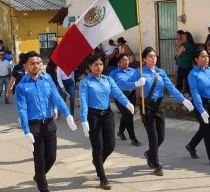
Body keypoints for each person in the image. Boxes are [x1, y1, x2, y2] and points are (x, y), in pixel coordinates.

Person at [127, 47, 194, 176]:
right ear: (145, 59)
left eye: (155, 56)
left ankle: (149, 153)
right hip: (146, 106)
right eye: (150, 56)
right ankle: (156, 164)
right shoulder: (139, 71)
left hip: (159, 105)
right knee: (153, 137)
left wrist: (183, 100)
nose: (153, 58)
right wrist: (136, 83)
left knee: (161, 136)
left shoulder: (161, 72)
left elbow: (171, 87)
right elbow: (125, 83)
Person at [16, 51, 77, 192]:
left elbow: (56, 97)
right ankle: (43, 187)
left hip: (49, 124)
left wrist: (67, 114)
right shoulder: (21, 86)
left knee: (51, 157)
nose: (36, 66)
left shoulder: (47, 78)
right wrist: (26, 130)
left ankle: (39, 176)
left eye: (38, 63)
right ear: (25, 66)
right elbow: (22, 110)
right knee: (39, 160)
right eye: (32, 64)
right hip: (34, 126)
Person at [79, 53, 136, 190]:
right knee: (98, 147)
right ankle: (102, 178)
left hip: (107, 114)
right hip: (93, 116)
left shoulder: (108, 79)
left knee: (110, 145)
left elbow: (117, 93)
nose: (99, 67)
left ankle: (97, 161)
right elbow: (83, 101)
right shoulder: (86, 82)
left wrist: (128, 103)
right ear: (90, 67)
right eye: (95, 65)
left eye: (100, 64)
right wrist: (83, 119)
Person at [110, 54, 141, 146]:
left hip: (132, 95)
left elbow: (139, 81)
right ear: (119, 62)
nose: (126, 62)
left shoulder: (133, 71)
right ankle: (133, 138)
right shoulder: (113, 73)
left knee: (127, 114)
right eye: (123, 60)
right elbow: (113, 86)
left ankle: (120, 131)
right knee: (128, 114)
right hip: (120, 96)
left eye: (127, 60)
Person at [185, 47, 210, 162]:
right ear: (196, 59)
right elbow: (195, 93)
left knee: (204, 128)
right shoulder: (193, 74)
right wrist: (201, 110)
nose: (206, 58)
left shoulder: (209, 70)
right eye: (203, 57)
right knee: (207, 129)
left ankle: (191, 146)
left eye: (207, 56)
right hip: (200, 104)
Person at [176, 31, 195, 97]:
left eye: (184, 36)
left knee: (180, 79)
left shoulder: (184, 45)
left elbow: (178, 54)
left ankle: (178, 92)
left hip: (182, 65)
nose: (182, 37)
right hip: (189, 65)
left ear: (187, 37)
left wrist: (176, 57)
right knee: (188, 79)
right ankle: (187, 92)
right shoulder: (193, 45)